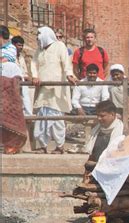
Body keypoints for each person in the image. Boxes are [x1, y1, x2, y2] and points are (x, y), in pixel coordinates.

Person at [31, 26, 78, 154]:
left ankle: (59, 146)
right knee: (41, 117)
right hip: (43, 90)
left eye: (39, 35)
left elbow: (66, 62)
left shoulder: (60, 46)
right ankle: (43, 145)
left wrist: (69, 74)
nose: (37, 38)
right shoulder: (39, 50)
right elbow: (34, 64)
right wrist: (34, 76)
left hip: (56, 90)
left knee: (56, 118)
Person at [12, 35, 33, 116]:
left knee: (26, 97)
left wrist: (26, 77)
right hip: (14, 82)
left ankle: (28, 115)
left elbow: (25, 72)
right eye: (19, 45)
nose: (21, 47)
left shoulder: (21, 58)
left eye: (22, 45)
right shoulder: (10, 57)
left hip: (23, 83)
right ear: (13, 45)